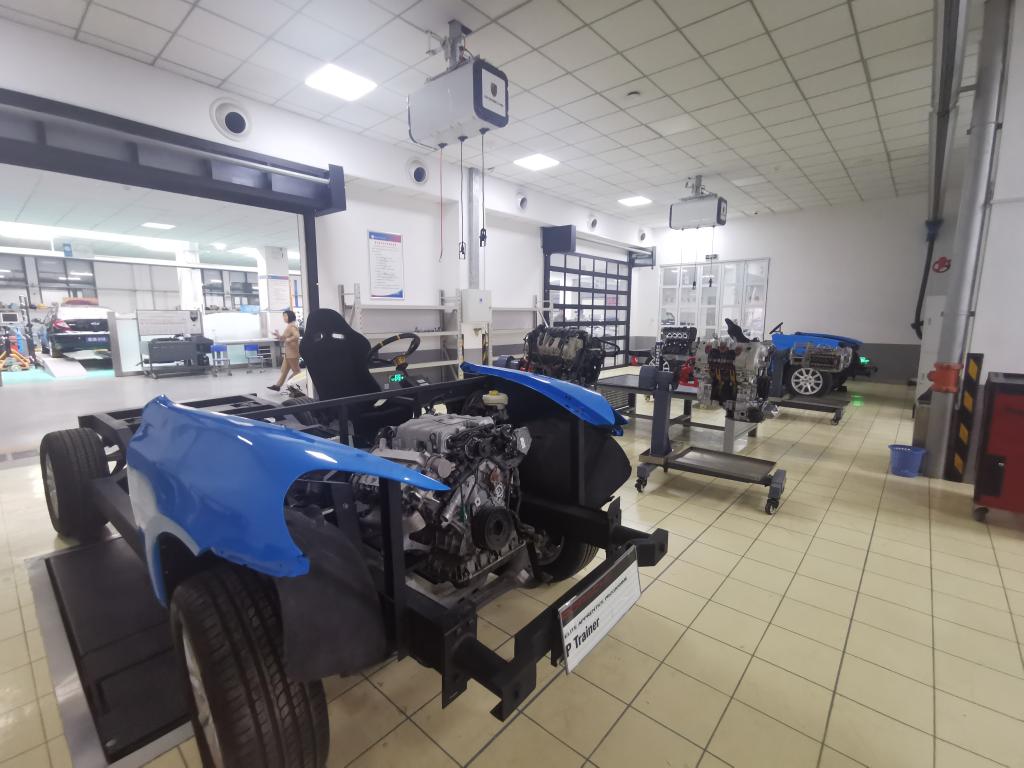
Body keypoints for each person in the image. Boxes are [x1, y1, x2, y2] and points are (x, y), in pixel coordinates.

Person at [268, 309, 300, 391]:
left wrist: (288, 340)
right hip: (288, 353)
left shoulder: (292, 326)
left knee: (296, 371)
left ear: (290, 316)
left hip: (292, 353)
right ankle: (277, 386)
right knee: (284, 371)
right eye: (283, 316)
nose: (284, 318)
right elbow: (283, 338)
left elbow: (296, 336)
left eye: (285, 316)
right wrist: (278, 335)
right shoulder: (289, 325)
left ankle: (291, 384)